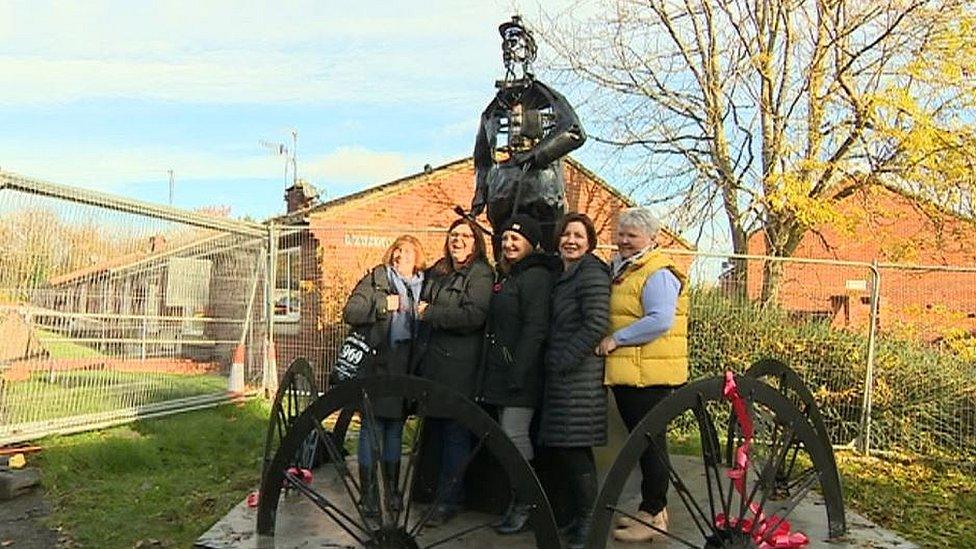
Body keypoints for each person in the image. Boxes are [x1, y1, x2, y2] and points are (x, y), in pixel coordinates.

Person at [595, 207, 688, 543]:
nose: (623, 240)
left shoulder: (658, 272)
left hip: (648, 375)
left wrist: (616, 338)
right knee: (646, 442)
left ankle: (652, 513)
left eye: (632, 236)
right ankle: (655, 511)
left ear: (652, 239)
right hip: (633, 371)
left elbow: (660, 320)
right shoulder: (626, 268)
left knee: (650, 444)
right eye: (621, 234)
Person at [479, 213, 558, 535]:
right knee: (507, 438)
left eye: (516, 239)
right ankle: (520, 499)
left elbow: (535, 328)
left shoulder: (535, 277)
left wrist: (518, 371)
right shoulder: (509, 276)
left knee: (515, 435)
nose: (509, 244)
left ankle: (527, 504)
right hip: (501, 372)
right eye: (506, 239)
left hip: (519, 375)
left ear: (532, 243)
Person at [342, 235, 427, 523]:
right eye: (397, 251)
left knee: (394, 429)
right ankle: (368, 495)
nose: (400, 256)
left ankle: (391, 491)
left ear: (417, 259)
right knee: (371, 428)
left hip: (406, 365)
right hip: (377, 364)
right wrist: (383, 305)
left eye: (407, 252)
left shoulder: (422, 286)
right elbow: (350, 312)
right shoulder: (376, 280)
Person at [415, 218, 494, 526]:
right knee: (435, 432)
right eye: (453, 235)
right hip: (434, 364)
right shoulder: (439, 271)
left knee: (455, 434)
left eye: (465, 236)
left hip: (460, 367)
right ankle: (432, 493)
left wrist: (431, 314)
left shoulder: (480, 274)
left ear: (476, 242)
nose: (458, 240)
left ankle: (451, 499)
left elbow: (474, 315)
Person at [537, 213, 610, 549]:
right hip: (564, 375)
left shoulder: (591, 272)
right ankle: (575, 518)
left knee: (575, 450)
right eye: (566, 234)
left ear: (590, 241)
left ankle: (589, 522)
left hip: (578, 377)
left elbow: (596, 323)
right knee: (566, 449)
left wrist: (562, 361)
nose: (571, 240)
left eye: (578, 235)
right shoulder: (567, 273)